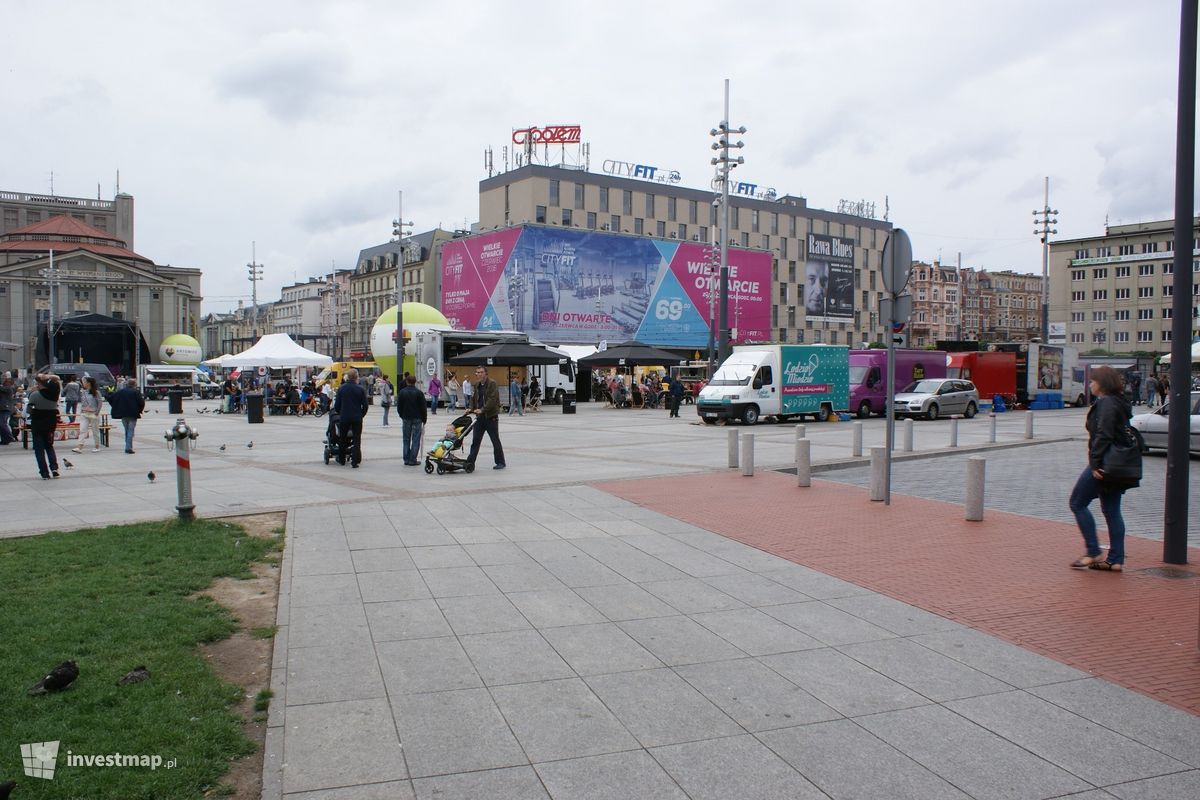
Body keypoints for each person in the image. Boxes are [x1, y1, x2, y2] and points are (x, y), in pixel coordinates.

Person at [1069, 366, 1133, 573]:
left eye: (1093, 381)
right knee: (1112, 510)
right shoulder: (1120, 402)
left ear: (1102, 383)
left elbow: (1103, 435)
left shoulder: (1106, 403)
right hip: (1118, 464)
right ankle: (1115, 559)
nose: (1090, 385)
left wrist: (1096, 463)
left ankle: (1093, 550)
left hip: (1104, 463)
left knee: (1077, 502)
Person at [466, 365, 505, 470]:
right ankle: (470, 462)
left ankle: (500, 462)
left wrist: (482, 409)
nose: (479, 374)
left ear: (486, 373)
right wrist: (470, 408)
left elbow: (492, 399)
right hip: (479, 418)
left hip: (490, 417)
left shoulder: (492, 383)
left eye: (481, 372)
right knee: (475, 441)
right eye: (477, 372)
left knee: (495, 440)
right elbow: (474, 398)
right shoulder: (477, 384)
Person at [332, 368, 368, 467]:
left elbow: (337, 405)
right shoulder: (360, 389)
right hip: (357, 417)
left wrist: (340, 413)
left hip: (344, 417)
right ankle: (355, 461)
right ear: (356, 377)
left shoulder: (341, 388)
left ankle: (342, 459)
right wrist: (361, 415)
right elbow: (365, 405)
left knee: (342, 438)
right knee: (357, 439)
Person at [28, 373, 62, 479]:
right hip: (51, 422)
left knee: (39, 449)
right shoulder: (54, 394)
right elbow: (56, 380)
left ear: (38, 384)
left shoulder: (35, 395)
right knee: (49, 446)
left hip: (38, 423)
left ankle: (44, 472)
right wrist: (47, 377)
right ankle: (54, 468)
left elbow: (29, 409)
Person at [396, 374, 427, 465]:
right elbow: (423, 407)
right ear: (415, 382)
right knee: (416, 438)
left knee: (406, 439)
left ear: (407, 381)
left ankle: (406, 458)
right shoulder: (419, 393)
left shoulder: (402, 392)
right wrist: (424, 419)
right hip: (417, 418)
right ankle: (413, 459)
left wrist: (402, 415)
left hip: (406, 417)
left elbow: (399, 407)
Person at [108, 378, 145, 454]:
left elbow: (110, 398)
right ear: (134, 384)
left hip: (123, 414)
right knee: (130, 430)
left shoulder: (120, 392)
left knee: (127, 430)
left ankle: (128, 445)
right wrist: (140, 410)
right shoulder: (136, 392)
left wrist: (115, 407)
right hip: (133, 414)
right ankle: (128, 448)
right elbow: (141, 402)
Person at [72, 376, 103, 453]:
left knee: (95, 430)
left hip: (93, 413)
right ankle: (80, 447)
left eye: (84, 382)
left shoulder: (96, 392)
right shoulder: (83, 392)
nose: (83, 383)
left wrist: (97, 412)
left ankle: (97, 446)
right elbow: (82, 402)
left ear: (88, 383)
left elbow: (100, 402)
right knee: (82, 430)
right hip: (84, 413)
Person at [0, 373, 15, 445]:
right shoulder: (4, 388)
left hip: (6, 408)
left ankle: (9, 437)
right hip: (2, 408)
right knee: (1, 424)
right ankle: (5, 440)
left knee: (2, 424)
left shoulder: (8, 388)